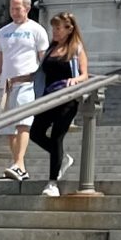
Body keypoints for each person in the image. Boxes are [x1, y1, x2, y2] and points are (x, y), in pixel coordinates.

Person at [0, 0, 50, 185]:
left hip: (27, 83)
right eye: (12, 8)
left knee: (23, 123)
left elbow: (43, 59)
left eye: (18, 8)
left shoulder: (37, 30)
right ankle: (18, 165)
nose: (14, 12)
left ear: (27, 8)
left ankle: (19, 164)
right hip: (6, 85)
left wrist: (45, 85)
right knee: (8, 128)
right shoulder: (3, 31)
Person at [29, 12, 88, 196]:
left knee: (57, 137)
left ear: (69, 29)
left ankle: (52, 183)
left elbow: (85, 74)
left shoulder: (76, 48)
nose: (54, 31)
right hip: (48, 98)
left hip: (67, 99)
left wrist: (76, 80)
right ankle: (62, 158)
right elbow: (40, 73)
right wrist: (18, 79)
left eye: (58, 27)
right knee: (36, 133)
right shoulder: (50, 49)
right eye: (53, 27)